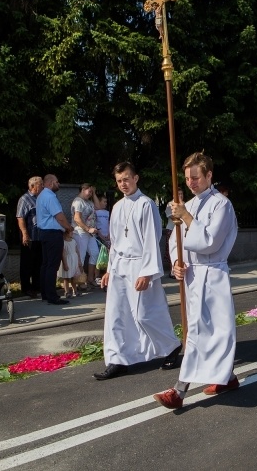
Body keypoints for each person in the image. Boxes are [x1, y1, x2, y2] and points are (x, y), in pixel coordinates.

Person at [153, 152, 239, 409]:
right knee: (200, 333)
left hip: (212, 275)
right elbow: (174, 240)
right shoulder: (186, 205)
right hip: (192, 275)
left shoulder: (222, 204)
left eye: (196, 177)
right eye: (187, 178)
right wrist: (177, 263)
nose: (191, 182)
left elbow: (210, 242)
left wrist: (187, 217)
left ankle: (178, 391)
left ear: (209, 175)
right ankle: (227, 378)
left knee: (210, 333)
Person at [95, 162, 182, 381]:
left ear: (136, 178)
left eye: (126, 179)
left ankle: (171, 346)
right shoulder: (117, 207)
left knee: (145, 314)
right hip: (120, 266)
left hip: (140, 265)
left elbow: (153, 240)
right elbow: (114, 242)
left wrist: (147, 272)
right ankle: (118, 360)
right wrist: (109, 269)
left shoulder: (146, 205)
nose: (123, 184)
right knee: (117, 315)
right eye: (119, 181)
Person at [36, 174, 73, 305]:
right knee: (52, 265)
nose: (59, 184)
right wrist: (68, 228)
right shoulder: (50, 197)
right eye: (57, 182)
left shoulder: (41, 196)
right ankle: (52, 296)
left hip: (44, 233)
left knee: (46, 264)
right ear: (50, 183)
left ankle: (45, 294)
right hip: (52, 234)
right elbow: (60, 217)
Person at [16, 176, 43, 299]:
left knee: (38, 262)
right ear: (33, 186)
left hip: (39, 236)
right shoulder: (25, 199)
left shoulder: (40, 198)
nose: (42, 186)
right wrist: (25, 234)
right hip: (30, 236)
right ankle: (26, 288)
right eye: (40, 184)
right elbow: (20, 217)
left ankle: (37, 286)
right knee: (27, 263)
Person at [71, 183, 99, 290]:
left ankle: (90, 279)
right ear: (83, 189)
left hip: (90, 233)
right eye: (89, 191)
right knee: (81, 257)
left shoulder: (89, 202)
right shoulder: (78, 201)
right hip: (80, 232)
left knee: (95, 253)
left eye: (92, 192)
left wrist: (94, 194)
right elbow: (77, 218)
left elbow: (98, 207)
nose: (90, 194)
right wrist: (88, 229)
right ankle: (79, 282)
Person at [162, 188, 184, 277]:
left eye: (181, 194)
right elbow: (173, 217)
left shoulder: (184, 205)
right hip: (172, 229)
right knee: (172, 250)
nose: (180, 196)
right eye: (178, 194)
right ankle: (172, 271)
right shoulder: (170, 204)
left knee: (181, 250)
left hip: (182, 230)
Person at [58, 231, 82, 298]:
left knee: (73, 277)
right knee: (66, 278)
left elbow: (77, 251)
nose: (72, 233)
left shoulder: (73, 241)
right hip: (67, 260)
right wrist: (65, 264)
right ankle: (67, 292)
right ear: (66, 233)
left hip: (74, 260)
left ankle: (75, 290)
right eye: (70, 232)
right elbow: (63, 253)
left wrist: (79, 261)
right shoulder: (64, 242)